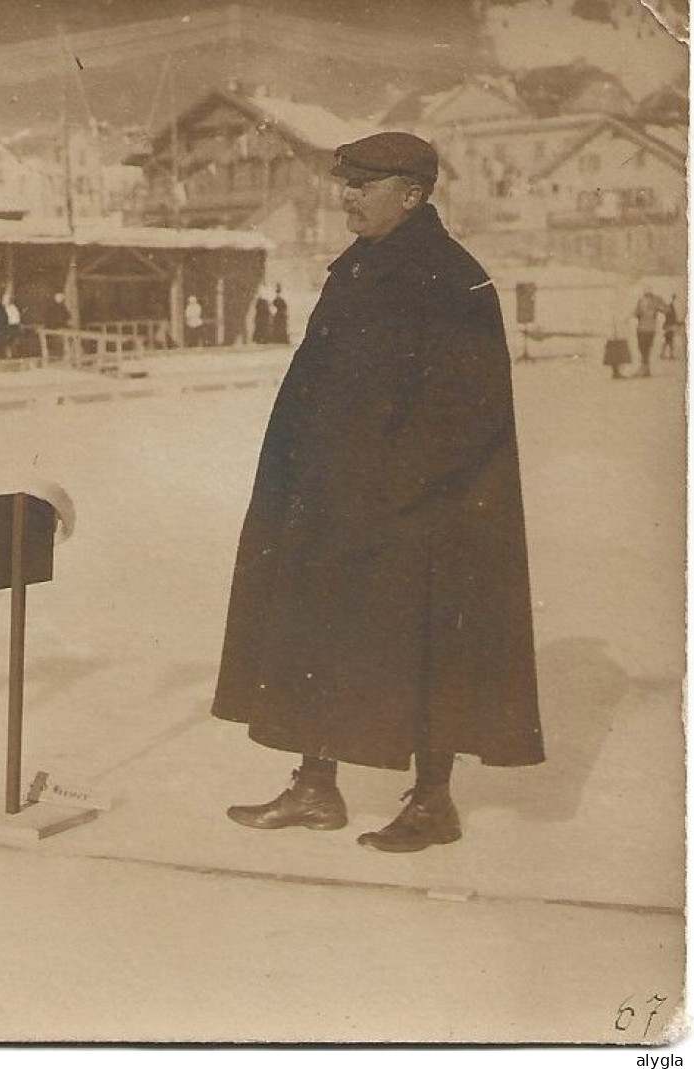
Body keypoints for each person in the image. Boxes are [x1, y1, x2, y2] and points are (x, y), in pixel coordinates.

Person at [211, 131, 542, 853]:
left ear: (413, 193)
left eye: (363, 184)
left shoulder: (454, 278)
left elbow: (470, 409)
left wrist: (385, 488)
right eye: (344, 183)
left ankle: (431, 802)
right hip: (330, 496)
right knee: (315, 629)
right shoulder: (355, 268)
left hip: (417, 511)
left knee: (424, 650)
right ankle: (314, 786)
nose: (345, 197)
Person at [633, 289, 662, 376]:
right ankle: (646, 369)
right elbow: (665, 310)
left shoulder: (641, 301)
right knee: (647, 349)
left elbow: (636, 313)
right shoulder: (656, 302)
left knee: (643, 349)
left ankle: (644, 368)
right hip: (651, 329)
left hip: (642, 329)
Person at [662, 296, 681, 361]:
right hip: (669, 326)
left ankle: (664, 354)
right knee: (669, 341)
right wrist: (677, 323)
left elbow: (671, 318)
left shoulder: (670, 308)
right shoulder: (671, 308)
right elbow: (672, 318)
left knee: (668, 341)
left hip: (668, 326)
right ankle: (669, 354)